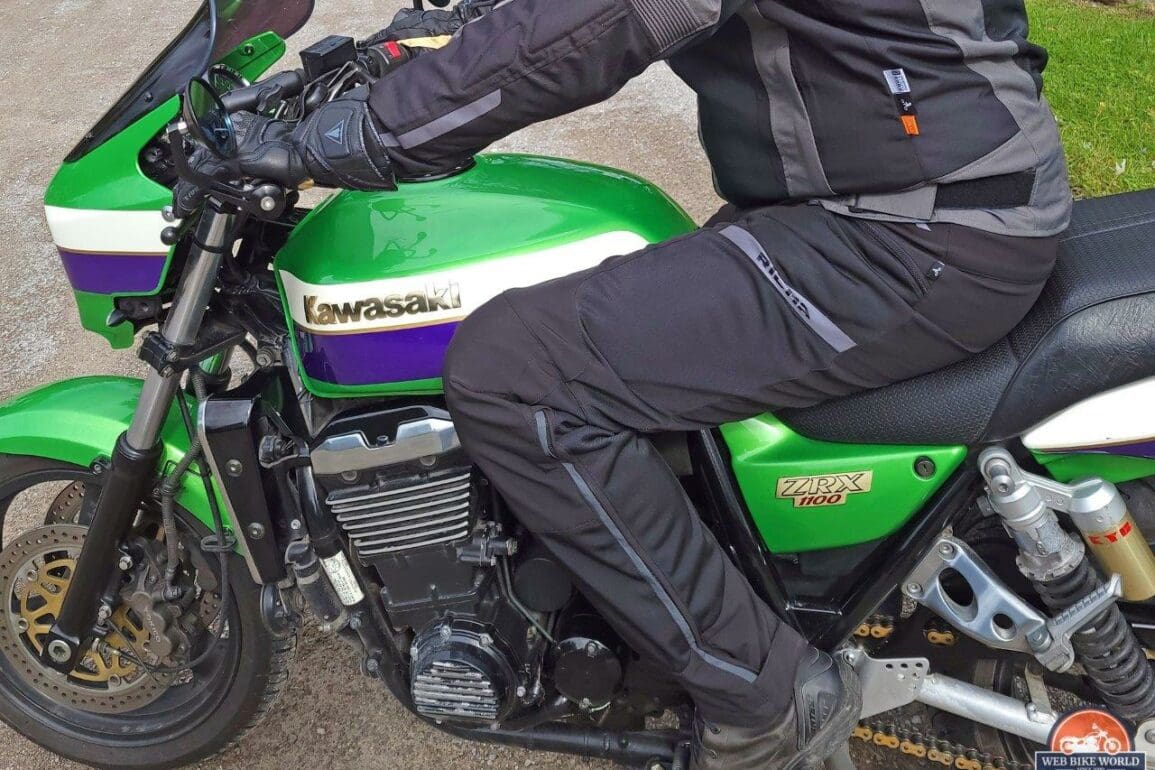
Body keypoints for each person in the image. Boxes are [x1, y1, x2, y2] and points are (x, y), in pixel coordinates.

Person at [181, 1, 1071, 766]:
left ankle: (760, 698)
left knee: (517, 372)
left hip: (908, 232)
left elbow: (616, 16)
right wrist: (436, 37)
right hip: (911, 187)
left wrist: (369, 132)